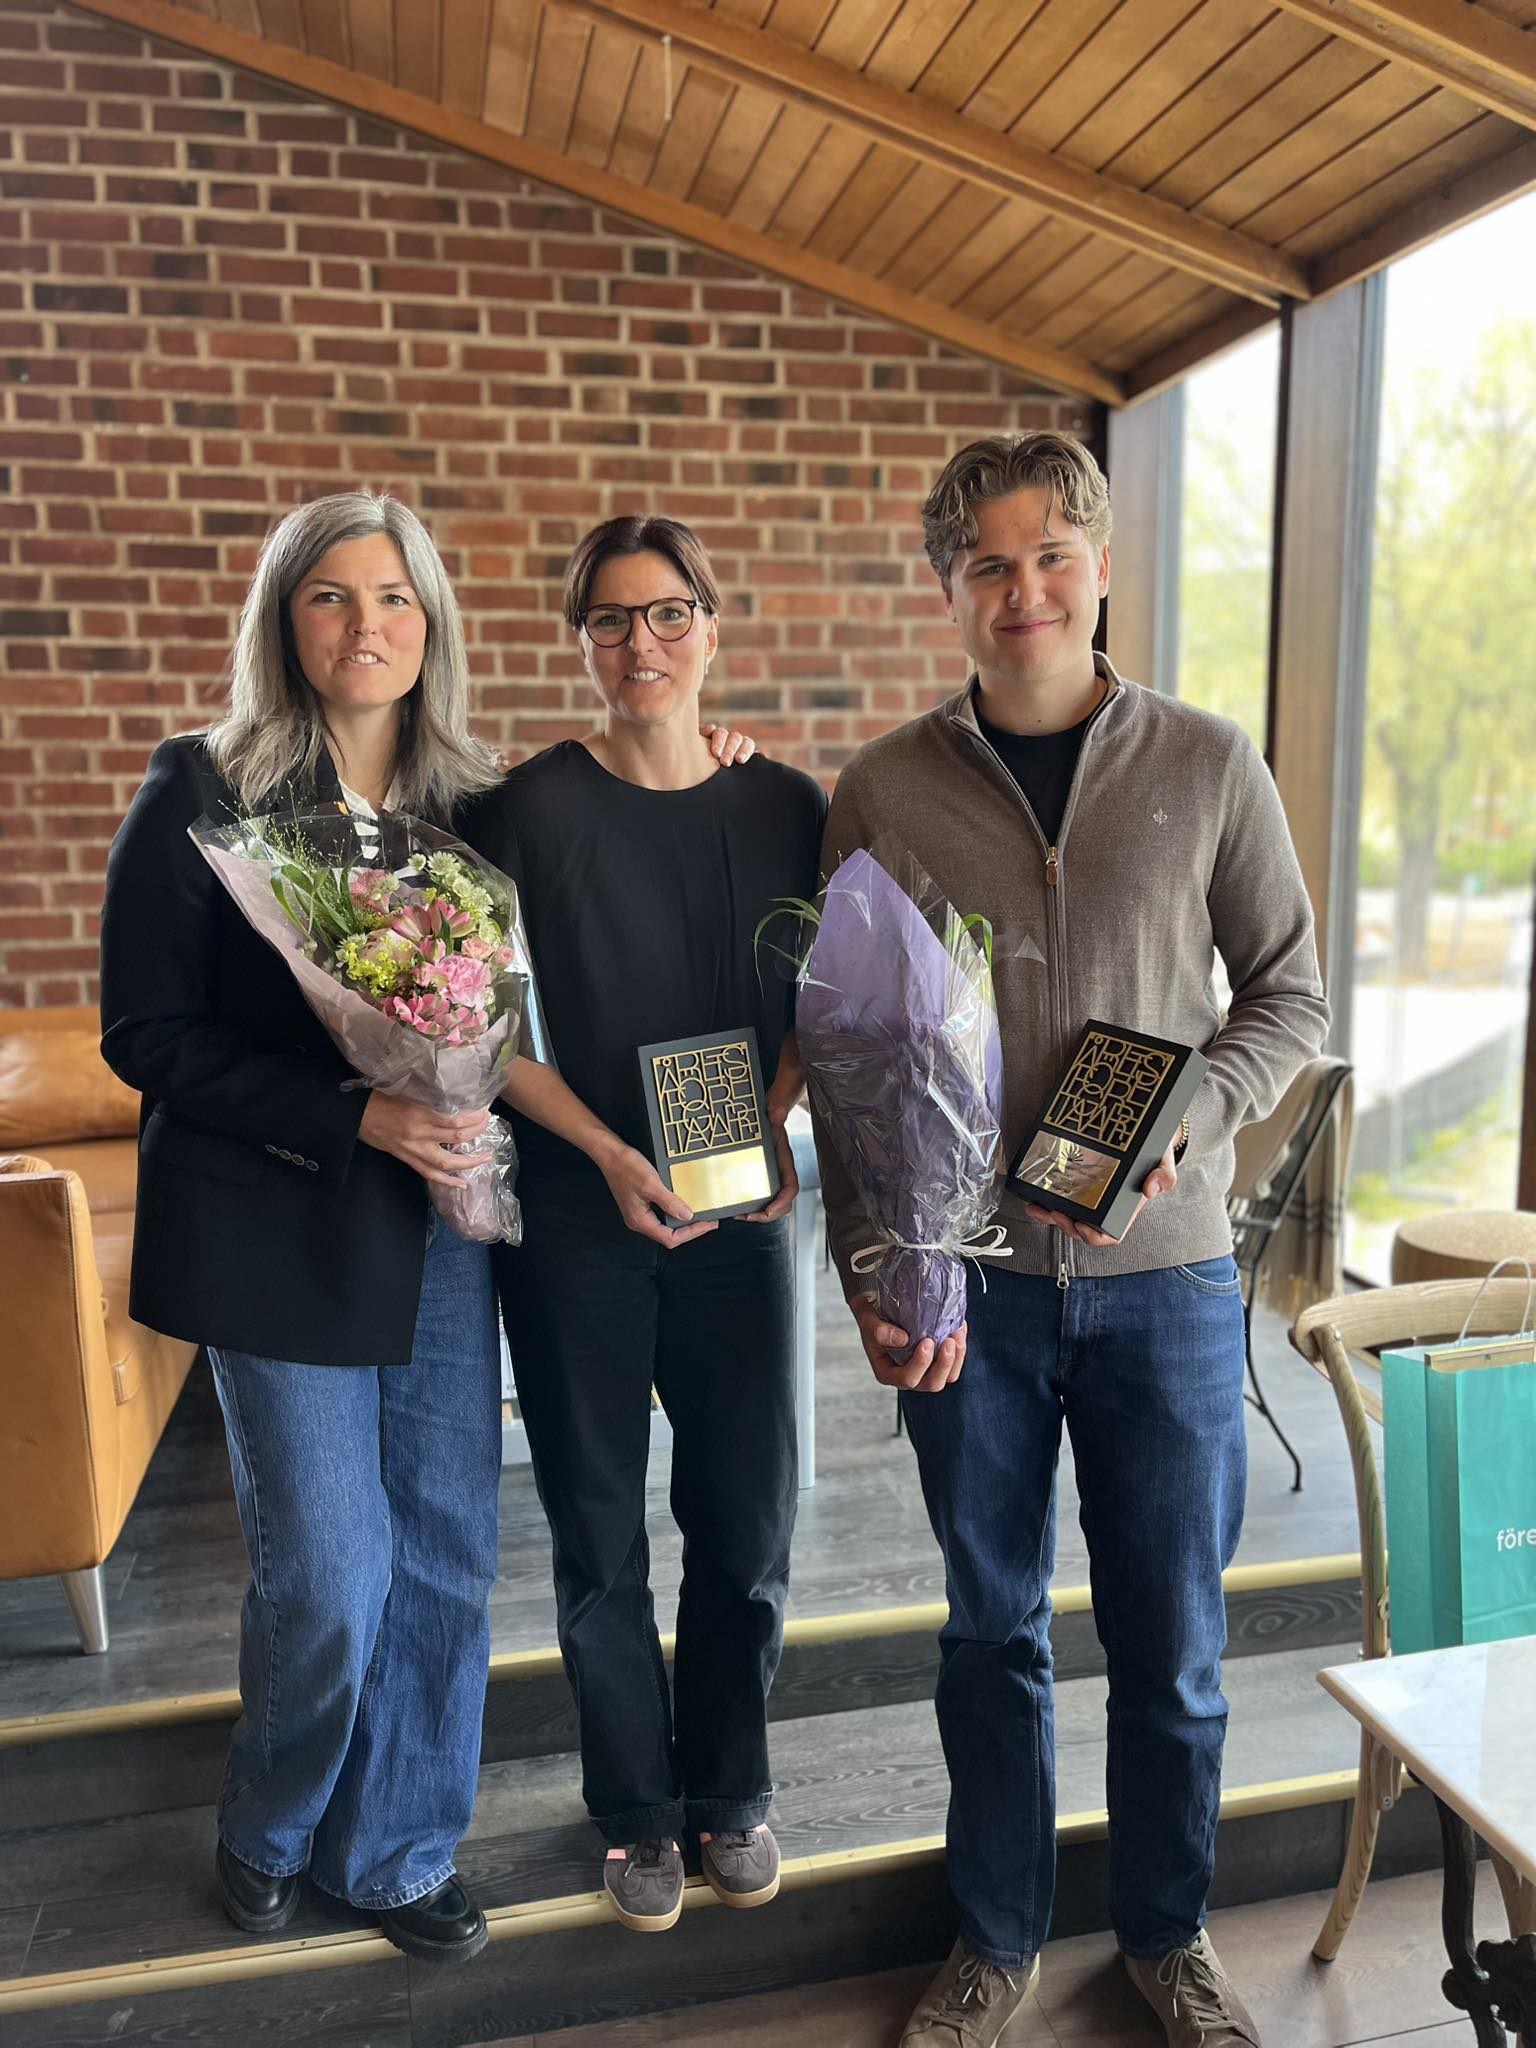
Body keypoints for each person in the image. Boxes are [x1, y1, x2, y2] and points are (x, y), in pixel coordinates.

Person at [99, 488, 748, 1962]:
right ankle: (270, 1820)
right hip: (277, 1226)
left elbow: (609, 849)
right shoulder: (204, 787)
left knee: (449, 1554)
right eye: (330, 595)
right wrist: (354, 1114)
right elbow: (145, 1035)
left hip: (443, 1228)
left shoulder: (476, 805)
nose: (365, 624)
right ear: (285, 621)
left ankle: (395, 1850)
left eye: (394, 596)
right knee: (332, 1574)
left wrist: (710, 760)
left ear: (433, 621)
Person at [813, 435, 1328, 2048]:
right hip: (969, 1289)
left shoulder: (1210, 765)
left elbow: (1290, 997)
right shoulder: (884, 790)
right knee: (991, 1632)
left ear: (1102, 567)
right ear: (948, 587)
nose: (1022, 589)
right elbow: (847, 1054)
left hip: (1166, 1284)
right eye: (988, 563)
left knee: (1173, 1640)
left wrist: (1192, 1113)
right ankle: (997, 1939)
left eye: (1050, 557)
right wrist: (872, 1270)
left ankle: (1169, 1935)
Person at [458, 515, 826, 1936]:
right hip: (578, 1211)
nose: (641, 644)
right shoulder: (525, 809)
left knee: (747, 1514)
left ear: (712, 626)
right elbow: (479, 1030)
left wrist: (776, 1120)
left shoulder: (785, 803)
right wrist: (610, 1152)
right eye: (609, 621)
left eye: (668, 613)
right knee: (597, 1523)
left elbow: (821, 1006)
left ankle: (731, 1787)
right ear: (582, 642)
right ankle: (634, 1810)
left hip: (740, 1214)